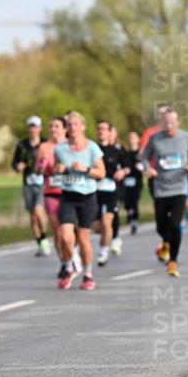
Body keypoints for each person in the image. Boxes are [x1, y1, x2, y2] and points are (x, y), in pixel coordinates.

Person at [140, 107, 188, 277]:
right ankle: (166, 242)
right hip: (160, 187)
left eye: (172, 122)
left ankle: (173, 261)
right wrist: (148, 169)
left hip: (179, 187)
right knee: (160, 226)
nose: (169, 125)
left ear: (178, 122)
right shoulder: (154, 139)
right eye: (165, 122)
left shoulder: (186, 137)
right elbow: (144, 158)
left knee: (175, 225)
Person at [54, 111, 105, 290]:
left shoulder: (92, 148)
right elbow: (53, 169)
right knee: (65, 235)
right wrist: (57, 169)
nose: (72, 128)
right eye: (69, 125)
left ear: (82, 126)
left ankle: (88, 274)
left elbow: (102, 173)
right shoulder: (60, 148)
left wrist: (85, 169)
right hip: (68, 196)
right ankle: (69, 266)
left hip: (87, 198)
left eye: (75, 124)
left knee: (83, 238)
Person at [36, 117, 71, 276]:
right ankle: (64, 263)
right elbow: (37, 171)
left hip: (70, 191)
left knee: (69, 231)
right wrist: (41, 165)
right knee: (58, 232)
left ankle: (72, 257)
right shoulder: (44, 147)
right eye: (51, 126)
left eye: (57, 126)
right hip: (51, 191)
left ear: (65, 129)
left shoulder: (71, 145)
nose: (53, 129)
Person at [12, 115, 50, 256]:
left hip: (43, 183)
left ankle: (45, 238)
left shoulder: (46, 143)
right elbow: (14, 164)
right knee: (33, 216)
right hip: (28, 183)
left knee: (39, 211)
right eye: (30, 126)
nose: (33, 129)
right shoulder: (22, 146)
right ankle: (39, 242)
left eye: (35, 126)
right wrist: (18, 167)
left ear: (40, 128)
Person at [95, 120, 128, 266]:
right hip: (94, 190)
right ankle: (108, 241)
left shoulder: (117, 150)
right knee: (96, 227)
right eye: (99, 129)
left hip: (111, 190)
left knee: (106, 221)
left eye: (104, 129)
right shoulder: (92, 149)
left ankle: (103, 251)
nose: (101, 131)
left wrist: (123, 171)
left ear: (110, 132)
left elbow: (128, 166)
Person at [121, 130, 144, 235]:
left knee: (134, 201)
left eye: (134, 137)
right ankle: (129, 212)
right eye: (130, 137)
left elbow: (145, 165)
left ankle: (134, 221)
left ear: (138, 139)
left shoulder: (141, 153)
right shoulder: (125, 153)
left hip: (137, 180)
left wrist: (141, 166)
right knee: (127, 202)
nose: (132, 140)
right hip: (127, 180)